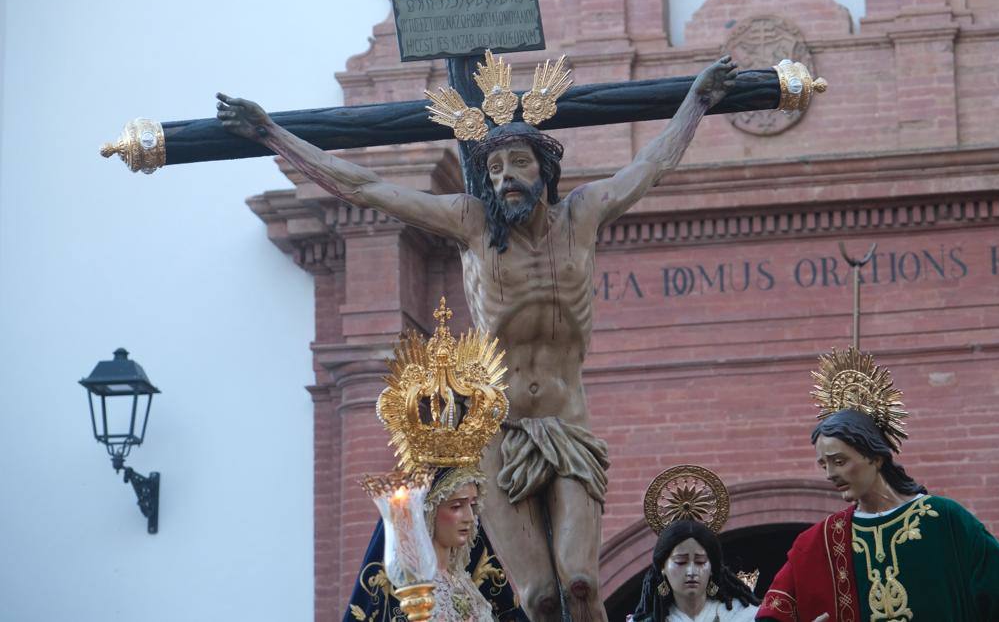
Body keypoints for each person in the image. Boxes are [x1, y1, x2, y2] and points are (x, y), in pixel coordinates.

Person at [217, 50, 738, 621]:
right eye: (494, 170)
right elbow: (365, 188)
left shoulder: (582, 216)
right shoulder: (471, 224)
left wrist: (698, 100)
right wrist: (271, 133)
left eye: (518, 164)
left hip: (567, 422)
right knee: (538, 596)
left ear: (545, 169)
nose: (506, 178)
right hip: (498, 431)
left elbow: (651, 166)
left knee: (584, 581)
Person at [756, 347, 999, 622]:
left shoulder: (943, 520)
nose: (830, 474)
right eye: (823, 465)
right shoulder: (819, 542)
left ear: (875, 456)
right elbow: (771, 615)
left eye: (839, 461)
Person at [345, 466, 526, 622]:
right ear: (428, 513)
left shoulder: (466, 582)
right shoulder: (408, 587)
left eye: (472, 505)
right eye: (456, 507)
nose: (470, 518)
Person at [631, 465, 760, 622]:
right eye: (681, 561)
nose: (691, 571)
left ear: (712, 567)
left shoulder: (744, 616)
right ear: (663, 567)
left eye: (700, 562)